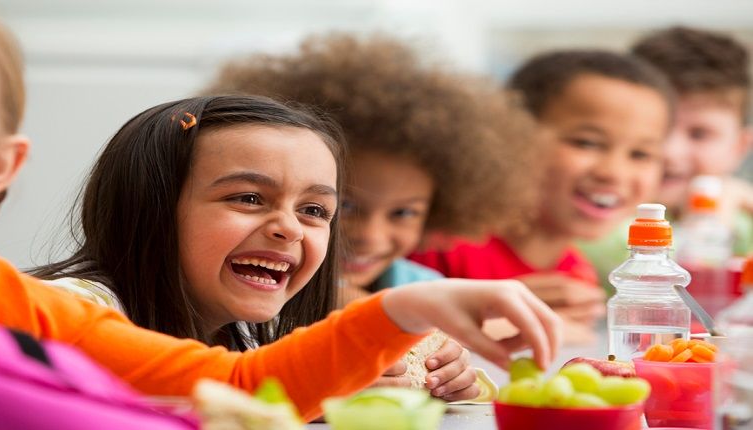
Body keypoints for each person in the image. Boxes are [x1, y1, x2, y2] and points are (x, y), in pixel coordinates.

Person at [0, 1, 561, 420]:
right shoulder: (73, 307)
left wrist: (453, 381)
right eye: (248, 198)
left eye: (315, 210)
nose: (287, 227)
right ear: (152, 209)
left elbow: (245, 385)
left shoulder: (253, 331)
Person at [207, 34, 538, 398]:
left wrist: (449, 375)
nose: (371, 236)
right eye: (345, 207)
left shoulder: (420, 285)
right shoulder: (248, 286)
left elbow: (447, 364)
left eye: (404, 213)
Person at [410, 49, 674, 328]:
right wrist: (492, 318)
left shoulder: (576, 274)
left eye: (640, 154)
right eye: (586, 143)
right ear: (511, 135)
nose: (613, 173)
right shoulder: (438, 243)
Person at [580, 27, 753, 284]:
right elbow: (651, 269)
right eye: (658, 129)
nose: (671, 152)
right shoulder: (591, 217)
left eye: (699, 134)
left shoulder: (743, 221)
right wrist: (716, 218)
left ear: (739, 147)